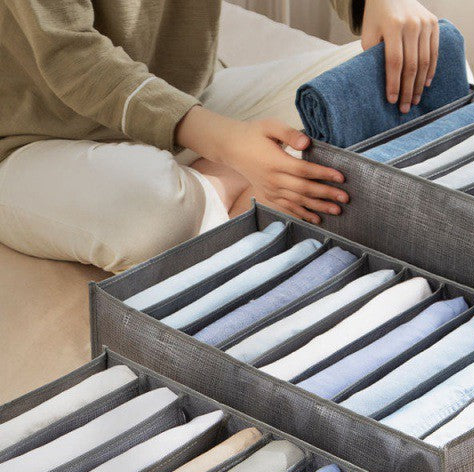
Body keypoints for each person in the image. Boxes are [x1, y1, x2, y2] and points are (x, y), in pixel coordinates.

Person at [0, 0, 438, 272]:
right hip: (39, 140)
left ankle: (221, 184)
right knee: (152, 218)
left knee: (417, 74)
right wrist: (229, 145)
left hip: (191, 100)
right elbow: (74, 60)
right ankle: (230, 176)